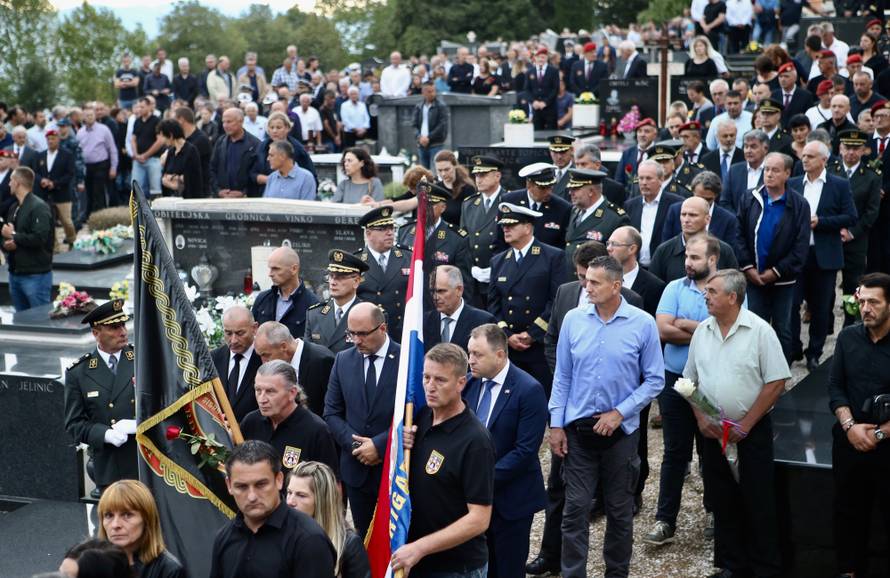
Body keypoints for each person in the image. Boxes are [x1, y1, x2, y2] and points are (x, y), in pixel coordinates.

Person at [549, 255, 664, 578]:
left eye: (595, 282)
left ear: (617, 286)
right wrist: (556, 423)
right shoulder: (573, 319)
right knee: (575, 510)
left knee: (619, 510)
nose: (586, 287)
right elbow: (563, 375)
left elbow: (655, 379)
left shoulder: (642, 323)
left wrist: (619, 412)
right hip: (577, 432)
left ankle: (616, 573)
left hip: (621, 435)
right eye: (586, 280)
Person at [684, 269, 791, 577]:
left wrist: (746, 423)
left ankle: (764, 567)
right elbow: (689, 382)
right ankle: (732, 565)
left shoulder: (760, 331)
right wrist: (702, 418)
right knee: (723, 499)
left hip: (752, 432)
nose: (706, 296)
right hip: (713, 432)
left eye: (712, 292)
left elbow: (777, 381)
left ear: (733, 297)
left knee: (758, 500)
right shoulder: (703, 331)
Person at [643, 233, 722, 547]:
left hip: (712, 384)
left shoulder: (727, 289)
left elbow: (724, 332)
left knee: (711, 451)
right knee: (675, 452)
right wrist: (703, 328)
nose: (688, 263)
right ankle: (665, 520)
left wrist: (686, 324)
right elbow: (663, 329)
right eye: (687, 257)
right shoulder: (674, 288)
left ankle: (716, 511)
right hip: (675, 380)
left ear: (712, 259)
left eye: (695, 258)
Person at [392, 343, 495, 578]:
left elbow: (479, 519)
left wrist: (420, 547)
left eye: (440, 380)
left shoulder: (475, 441)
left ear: (461, 383)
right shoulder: (421, 417)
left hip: (455, 567)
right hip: (416, 560)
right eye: (426, 377)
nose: (430, 386)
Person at [463, 324, 548, 578]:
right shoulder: (469, 384)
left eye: (478, 354)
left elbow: (525, 452)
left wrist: (479, 479)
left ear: (500, 355)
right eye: (469, 353)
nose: (470, 360)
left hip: (511, 502)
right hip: (474, 504)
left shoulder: (529, 390)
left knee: (508, 570)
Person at [828, 272, 890, 578]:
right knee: (847, 512)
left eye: (874, 302)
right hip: (849, 442)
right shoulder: (848, 337)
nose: (866, 308)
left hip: (888, 443)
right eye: (861, 301)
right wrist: (850, 426)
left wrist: (879, 433)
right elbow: (835, 387)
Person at [323, 302, 400, 537]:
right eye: (351, 334)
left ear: (382, 328)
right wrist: (359, 447)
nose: (356, 340)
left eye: (363, 334)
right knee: (365, 540)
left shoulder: (406, 360)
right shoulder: (343, 360)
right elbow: (331, 413)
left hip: (394, 470)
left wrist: (379, 445)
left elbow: (416, 413)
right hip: (357, 471)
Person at [210, 440, 336, 578]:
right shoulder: (224, 538)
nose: (252, 497)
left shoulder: (309, 540)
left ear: (279, 480)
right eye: (242, 487)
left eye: (261, 484)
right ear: (229, 485)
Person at [788, 140, 857, 370]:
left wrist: (821, 222)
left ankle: (814, 352)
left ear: (824, 160)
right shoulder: (794, 183)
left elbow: (850, 216)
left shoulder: (838, 185)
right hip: (796, 254)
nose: (804, 159)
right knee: (792, 304)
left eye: (810, 156)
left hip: (824, 254)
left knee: (820, 307)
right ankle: (793, 347)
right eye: (803, 156)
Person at [488, 202, 563, 396]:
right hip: (510, 345)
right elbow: (494, 303)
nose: (505, 229)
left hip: (539, 344)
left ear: (528, 228)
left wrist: (533, 333)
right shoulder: (498, 261)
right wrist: (506, 334)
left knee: (542, 398)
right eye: (504, 225)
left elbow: (556, 300)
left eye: (511, 225)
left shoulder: (552, 256)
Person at [63, 300, 137, 497]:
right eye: (114, 327)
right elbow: (74, 424)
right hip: (110, 466)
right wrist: (105, 434)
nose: (123, 331)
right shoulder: (79, 373)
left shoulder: (141, 360)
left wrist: (141, 423)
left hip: (145, 459)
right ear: (96, 333)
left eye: (123, 324)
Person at [240, 360, 338, 476]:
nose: (262, 399)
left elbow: (331, 485)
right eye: (258, 390)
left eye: (270, 391)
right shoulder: (251, 422)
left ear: (292, 393)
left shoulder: (316, 430)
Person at [831, 129, 882, 326]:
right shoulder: (830, 170)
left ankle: (850, 321)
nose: (851, 152)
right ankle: (824, 318)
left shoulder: (871, 176)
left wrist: (852, 232)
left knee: (852, 285)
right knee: (825, 284)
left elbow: (871, 211)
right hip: (830, 235)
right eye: (847, 148)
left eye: (856, 148)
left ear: (864, 150)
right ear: (840, 149)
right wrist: (835, 228)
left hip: (856, 240)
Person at [285, 462, 370, 578]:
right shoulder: (278, 534)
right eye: (289, 492)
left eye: (301, 495)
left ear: (322, 501)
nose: (290, 501)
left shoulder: (349, 545)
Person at [97, 480, 186, 577]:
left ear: (147, 519)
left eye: (127, 515)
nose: (115, 525)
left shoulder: (168, 570)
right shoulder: (91, 565)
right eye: (109, 515)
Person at [253, 321, 335, 418]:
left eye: (266, 355)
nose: (264, 362)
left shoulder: (322, 360)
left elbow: (332, 408)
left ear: (283, 346)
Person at [649, 196, 739, 283]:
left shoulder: (723, 251)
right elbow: (654, 289)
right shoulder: (664, 251)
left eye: (693, 215)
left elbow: (734, 286)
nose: (686, 220)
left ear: (707, 219)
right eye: (683, 214)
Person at [354, 206, 412, 340]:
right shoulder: (356, 262)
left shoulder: (408, 257)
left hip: (402, 331)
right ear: (368, 234)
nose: (390, 233)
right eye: (383, 229)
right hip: (370, 333)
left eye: (391, 228)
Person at [563, 168, 630, 281]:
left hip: (595, 282)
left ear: (591, 191)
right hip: (571, 280)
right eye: (570, 188)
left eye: (576, 188)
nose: (570, 192)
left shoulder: (615, 217)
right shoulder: (574, 211)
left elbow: (618, 259)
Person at [2, 167, 53, 311]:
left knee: (40, 322)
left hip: (36, 276)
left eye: (11, 180)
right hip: (15, 273)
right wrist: (7, 244)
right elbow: (7, 234)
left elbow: (39, 238)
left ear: (18, 183)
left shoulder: (39, 207)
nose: (9, 184)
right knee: (21, 325)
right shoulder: (14, 207)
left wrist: (13, 236)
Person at [461, 155, 508, 303]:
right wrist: (471, 267)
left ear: (497, 176)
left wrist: (495, 267)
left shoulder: (509, 201)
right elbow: (464, 240)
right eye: (476, 175)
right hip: (474, 279)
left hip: (500, 273)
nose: (478, 179)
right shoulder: (469, 204)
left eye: (483, 175)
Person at [306, 249, 368, 354]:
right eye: (331, 276)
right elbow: (308, 356)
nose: (333, 282)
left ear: (356, 281)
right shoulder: (314, 314)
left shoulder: (368, 314)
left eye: (340, 277)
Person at [624, 160, 684, 269]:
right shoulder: (630, 205)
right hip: (637, 267)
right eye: (641, 178)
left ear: (661, 179)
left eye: (648, 178)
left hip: (664, 266)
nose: (644, 183)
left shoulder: (676, 204)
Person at [251, 246, 320, 339]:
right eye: (270, 268)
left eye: (276, 269)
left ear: (294, 269)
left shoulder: (313, 304)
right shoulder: (262, 299)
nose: (270, 274)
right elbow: (252, 333)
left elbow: (315, 344)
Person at [424, 264, 496, 352]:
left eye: (441, 291)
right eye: (432, 291)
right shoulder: (424, 321)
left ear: (459, 290)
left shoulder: (483, 322)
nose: (435, 297)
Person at [501, 162, 572, 249]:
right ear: (529, 185)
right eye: (542, 188)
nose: (548, 192)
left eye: (550, 187)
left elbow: (562, 245)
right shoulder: (510, 200)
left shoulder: (563, 208)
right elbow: (500, 240)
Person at [210, 305, 262, 423]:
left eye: (240, 333)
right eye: (228, 333)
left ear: (254, 328)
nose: (233, 340)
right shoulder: (212, 359)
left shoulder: (264, 358)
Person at [661, 171, 740, 248]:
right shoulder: (675, 211)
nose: (702, 202)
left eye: (708, 199)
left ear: (716, 195)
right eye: (699, 197)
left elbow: (729, 254)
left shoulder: (728, 219)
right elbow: (666, 246)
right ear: (693, 192)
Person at [605, 225, 667, 317]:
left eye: (614, 244)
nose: (608, 248)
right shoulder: (602, 278)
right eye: (608, 243)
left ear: (632, 249)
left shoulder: (655, 286)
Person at [33, 128, 77, 247]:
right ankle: (54, 245)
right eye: (49, 139)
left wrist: (55, 183)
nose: (51, 141)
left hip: (62, 193)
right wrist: (41, 180)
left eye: (53, 139)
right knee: (49, 221)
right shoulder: (41, 155)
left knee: (66, 221)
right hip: (45, 194)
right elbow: (35, 172)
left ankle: (72, 240)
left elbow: (70, 174)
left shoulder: (66, 154)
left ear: (58, 139)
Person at [254, 111, 316, 189]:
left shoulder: (297, 149)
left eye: (278, 127)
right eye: (271, 127)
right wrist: (270, 180)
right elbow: (253, 174)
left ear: (287, 128)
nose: (274, 131)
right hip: (265, 191)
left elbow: (310, 174)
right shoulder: (262, 147)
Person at [209, 108, 261, 198]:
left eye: (229, 122)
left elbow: (256, 173)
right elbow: (212, 168)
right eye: (223, 122)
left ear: (241, 121)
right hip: (222, 199)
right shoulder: (220, 142)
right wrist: (218, 191)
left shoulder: (255, 144)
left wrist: (244, 192)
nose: (225, 125)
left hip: (247, 201)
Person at [77, 108, 117, 214]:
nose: (89, 117)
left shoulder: (104, 129)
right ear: (83, 118)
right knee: (88, 192)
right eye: (87, 115)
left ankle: (100, 215)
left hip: (101, 165)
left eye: (91, 115)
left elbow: (112, 149)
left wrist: (113, 167)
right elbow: (78, 151)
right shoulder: (80, 132)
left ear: (95, 116)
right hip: (86, 166)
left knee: (98, 192)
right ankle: (89, 215)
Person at [722, 128, 769, 213]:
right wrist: (737, 221)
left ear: (765, 149)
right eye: (746, 146)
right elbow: (724, 202)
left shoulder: (771, 170)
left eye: (753, 147)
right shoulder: (734, 170)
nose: (748, 151)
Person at [155, 119, 201, 199]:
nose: (162, 140)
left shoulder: (191, 151)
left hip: (187, 200)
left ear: (171, 135)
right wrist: (175, 179)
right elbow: (164, 178)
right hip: (171, 199)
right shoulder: (171, 152)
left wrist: (174, 179)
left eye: (163, 136)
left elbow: (192, 178)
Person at [172, 107, 212, 197]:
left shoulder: (201, 140)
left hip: (199, 192)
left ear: (181, 120)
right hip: (184, 190)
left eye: (174, 120)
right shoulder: (181, 139)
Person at [130, 97, 163, 196]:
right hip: (138, 160)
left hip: (153, 159)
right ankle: (138, 211)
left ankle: (156, 211)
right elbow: (133, 139)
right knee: (135, 188)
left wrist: (145, 155)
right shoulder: (137, 121)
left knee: (155, 188)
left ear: (149, 107)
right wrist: (136, 155)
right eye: (138, 107)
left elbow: (160, 141)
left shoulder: (156, 121)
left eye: (142, 107)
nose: (139, 109)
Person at [413, 82, 449, 169]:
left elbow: (442, 125)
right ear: (423, 92)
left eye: (433, 91)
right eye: (429, 91)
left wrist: (428, 137)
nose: (432, 93)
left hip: (436, 144)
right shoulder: (419, 106)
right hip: (421, 144)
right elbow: (414, 125)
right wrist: (419, 137)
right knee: (423, 173)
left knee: (435, 172)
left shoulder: (441, 106)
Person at [433, 150, 474, 226]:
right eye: (439, 170)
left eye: (447, 169)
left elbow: (472, 218)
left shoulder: (467, 188)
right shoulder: (436, 188)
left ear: (455, 166)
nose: (443, 174)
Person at [615, 118, 658, 189]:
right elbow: (619, 180)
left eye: (646, 131)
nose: (642, 134)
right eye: (639, 131)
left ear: (654, 135)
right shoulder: (628, 153)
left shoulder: (659, 153)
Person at [526, 47, 560, 131]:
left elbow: (555, 89)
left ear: (547, 58)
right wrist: (533, 101)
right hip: (536, 108)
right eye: (539, 57)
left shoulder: (553, 71)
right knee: (537, 133)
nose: (541, 59)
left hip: (550, 108)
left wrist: (545, 102)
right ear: (535, 58)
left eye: (543, 57)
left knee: (551, 133)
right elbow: (526, 89)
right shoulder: (530, 72)